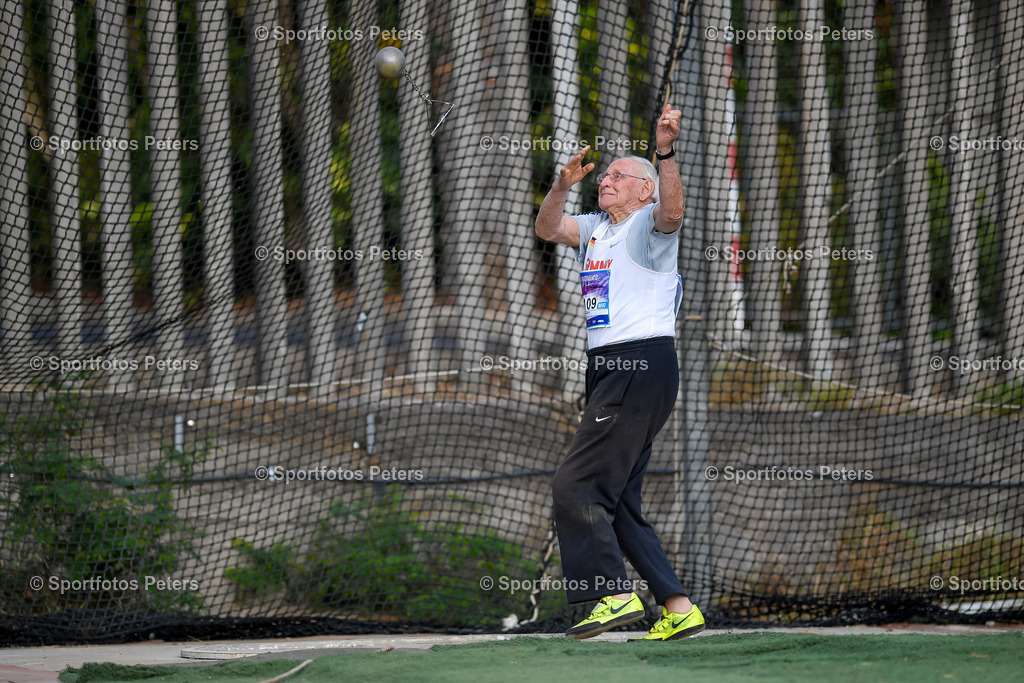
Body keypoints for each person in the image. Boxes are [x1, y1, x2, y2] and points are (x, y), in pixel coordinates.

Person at [534, 104, 704, 641]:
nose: (604, 179)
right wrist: (562, 184)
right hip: (611, 369)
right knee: (619, 500)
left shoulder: (649, 226)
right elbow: (546, 227)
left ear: (644, 190)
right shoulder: (595, 228)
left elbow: (675, 212)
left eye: (617, 176)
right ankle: (678, 608)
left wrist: (665, 153)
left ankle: (612, 594)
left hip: (639, 363)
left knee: (575, 485)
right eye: (603, 175)